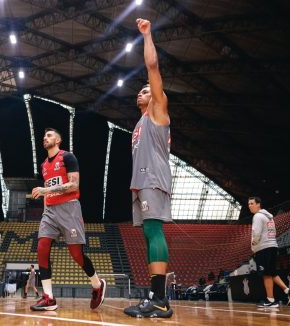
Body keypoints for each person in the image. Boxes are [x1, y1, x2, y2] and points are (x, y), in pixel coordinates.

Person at [123, 18, 173, 319]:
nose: (144, 92)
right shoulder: (139, 125)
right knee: (148, 236)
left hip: (154, 179)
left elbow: (153, 68)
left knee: (154, 232)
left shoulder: (157, 109)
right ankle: (155, 296)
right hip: (141, 182)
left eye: (147, 90)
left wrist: (147, 35)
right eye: (141, 91)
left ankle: (159, 300)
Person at [30, 128, 106, 311]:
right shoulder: (43, 166)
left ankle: (97, 285)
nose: (45, 138)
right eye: (44, 136)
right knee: (42, 246)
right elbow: (50, 189)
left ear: (58, 139)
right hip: (50, 211)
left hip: (69, 208)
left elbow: (74, 185)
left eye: (49, 135)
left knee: (76, 254)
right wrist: (46, 208)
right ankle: (49, 298)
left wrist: (45, 191)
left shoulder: (67, 157)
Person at [249, 196, 290, 307]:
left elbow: (256, 233)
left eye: (252, 203)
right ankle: (288, 291)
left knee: (266, 274)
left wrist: (253, 245)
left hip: (264, 247)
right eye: (249, 204)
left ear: (258, 204)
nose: (249, 206)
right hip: (272, 246)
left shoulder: (258, 216)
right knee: (271, 272)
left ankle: (270, 300)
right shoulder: (269, 217)